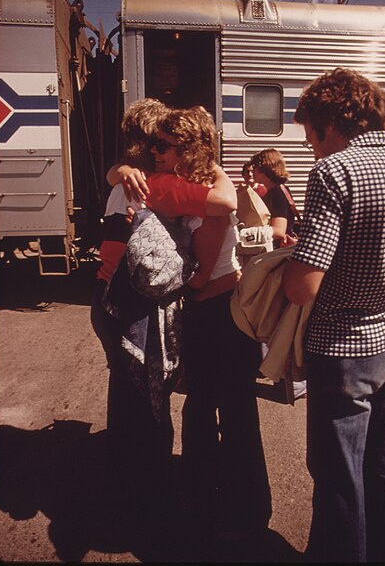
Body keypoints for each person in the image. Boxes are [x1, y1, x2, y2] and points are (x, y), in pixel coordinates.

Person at [92, 100, 236, 517]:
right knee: (150, 400)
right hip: (135, 306)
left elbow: (113, 176)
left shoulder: (126, 182)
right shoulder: (155, 185)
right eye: (155, 142)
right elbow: (225, 202)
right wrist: (216, 167)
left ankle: (124, 486)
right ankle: (149, 493)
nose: (158, 150)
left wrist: (118, 169)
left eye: (165, 144)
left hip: (108, 299)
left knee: (127, 398)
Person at [282, 67, 385, 562]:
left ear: (329, 123)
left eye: (310, 138)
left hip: (343, 349)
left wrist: (283, 268)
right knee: (384, 466)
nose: (312, 149)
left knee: (338, 476)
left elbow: (304, 286)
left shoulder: (336, 171)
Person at [147, 113, 273, 540]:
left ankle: (224, 503)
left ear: (187, 151)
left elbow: (201, 277)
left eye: (164, 145)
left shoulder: (210, 201)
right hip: (222, 313)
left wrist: (170, 282)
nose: (155, 152)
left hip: (216, 313)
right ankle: (241, 503)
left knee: (213, 408)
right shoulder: (202, 185)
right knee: (226, 408)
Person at [251, 149, 300, 248]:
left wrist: (248, 234)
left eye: (255, 166)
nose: (252, 170)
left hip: (279, 250)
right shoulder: (273, 191)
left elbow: (279, 231)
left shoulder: (277, 192)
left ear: (264, 168)